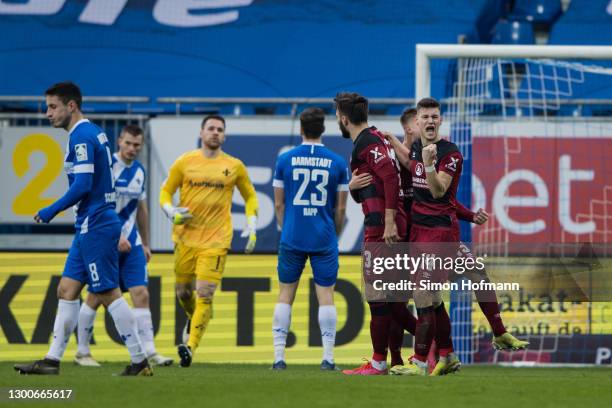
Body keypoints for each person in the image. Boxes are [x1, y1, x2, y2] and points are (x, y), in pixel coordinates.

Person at [14, 82, 151, 376]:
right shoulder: (92, 132)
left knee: (108, 293)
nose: (47, 113)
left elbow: (83, 185)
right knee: (67, 288)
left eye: (53, 106)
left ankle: (139, 360)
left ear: (71, 106)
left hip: (97, 223)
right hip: (89, 224)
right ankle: (52, 360)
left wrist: (51, 209)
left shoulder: (81, 137)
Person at [159, 114, 259, 367]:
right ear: (201, 133)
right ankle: (196, 318)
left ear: (224, 136)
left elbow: (249, 196)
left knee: (204, 293)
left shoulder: (234, 166)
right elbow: (165, 191)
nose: (215, 132)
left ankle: (189, 347)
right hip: (186, 238)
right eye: (211, 128)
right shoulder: (184, 163)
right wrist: (169, 211)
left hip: (217, 240)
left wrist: (252, 222)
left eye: (220, 129)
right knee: (183, 292)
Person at [74, 124, 173, 367]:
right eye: (128, 143)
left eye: (137, 145)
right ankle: (82, 352)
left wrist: (147, 243)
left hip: (133, 243)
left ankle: (150, 351)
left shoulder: (140, 171)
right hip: (106, 240)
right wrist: (115, 236)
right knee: (96, 296)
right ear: (119, 141)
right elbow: (98, 206)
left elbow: (141, 208)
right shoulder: (106, 168)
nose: (132, 149)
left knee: (142, 294)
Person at [334, 92, 411, 376]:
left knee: (379, 299)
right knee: (394, 303)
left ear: (343, 118)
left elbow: (391, 176)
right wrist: (353, 187)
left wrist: (389, 222)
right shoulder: (373, 138)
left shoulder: (366, 141)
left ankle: (379, 363)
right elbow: (372, 186)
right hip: (388, 223)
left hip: (382, 228)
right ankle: (430, 351)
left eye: (337, 117)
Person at [271, 108, 349, 371]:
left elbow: (279, 205)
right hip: (324, 237)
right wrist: (334, 234)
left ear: (301, 129)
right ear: (323, 129)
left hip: (292, 236)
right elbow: (341, 210)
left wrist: (287, 228)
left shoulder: (285, 160)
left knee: (285, 294)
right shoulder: (338, 162)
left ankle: (279, 358)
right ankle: (328, 358)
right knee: (326, 295)